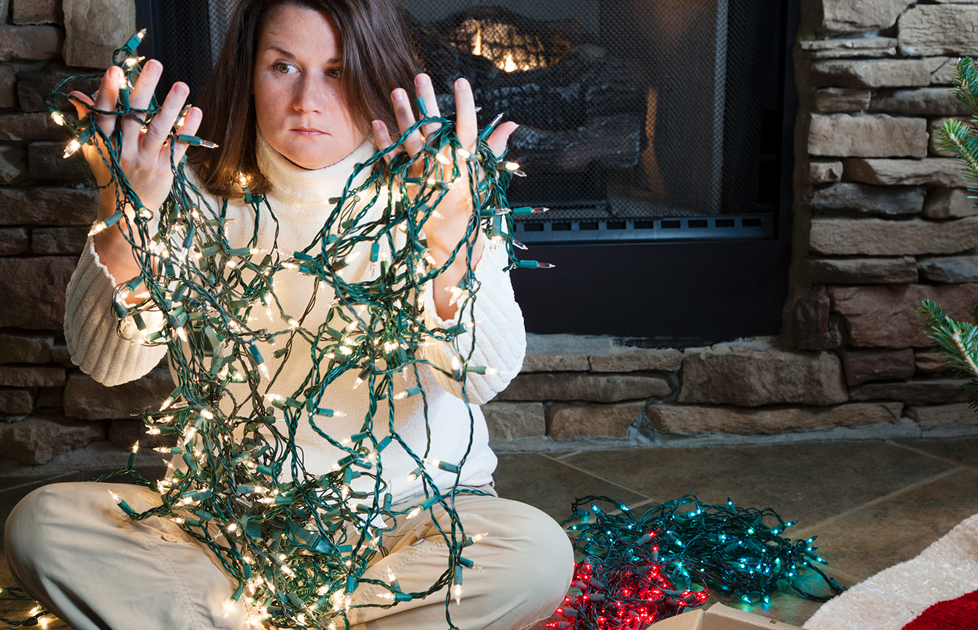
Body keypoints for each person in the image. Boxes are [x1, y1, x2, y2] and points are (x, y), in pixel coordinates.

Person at [2, 1, 574, 629]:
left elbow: (482, 377)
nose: (308, 98)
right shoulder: (179, 188)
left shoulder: (442, 191)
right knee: (41, 526)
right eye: (283, 67)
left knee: (536, 556)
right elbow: (108, 363)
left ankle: (227, 621)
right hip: (225, 529)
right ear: (249, 75)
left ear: (375, 74)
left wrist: (446, 247)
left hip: (414, 523)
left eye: (336, 70)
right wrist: (125, 216)